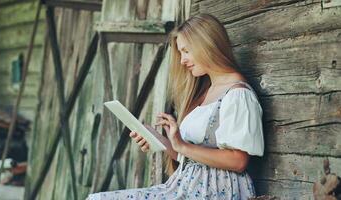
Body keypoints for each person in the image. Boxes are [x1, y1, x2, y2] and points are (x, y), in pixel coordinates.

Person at [87, 13, 264, 200]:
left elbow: (238, 160)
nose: (182, 60)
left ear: (206, 45)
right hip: (186, 186)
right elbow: (190, 156)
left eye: (186, 51)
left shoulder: (237, 94)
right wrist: (159, 140)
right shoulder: (205, 92)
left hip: (217, 190)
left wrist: (182, 146)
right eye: (181, 53)